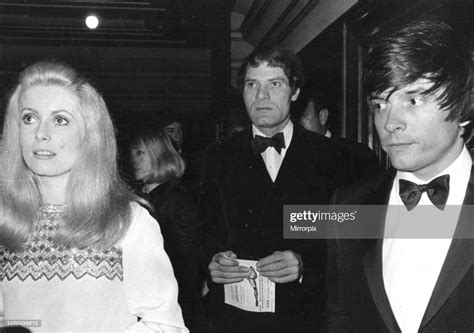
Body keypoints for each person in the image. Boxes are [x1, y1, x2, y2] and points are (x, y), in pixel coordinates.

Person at [0, 61, 188, 332]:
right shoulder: (6, 218)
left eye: (60, 120)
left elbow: (166, 326)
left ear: (89, 134)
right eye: (29, 118)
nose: (41, 134)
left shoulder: (127, 220)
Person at [325, 19, 473, 332]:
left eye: (413, 99)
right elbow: (339, 317)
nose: (389, 122)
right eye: (380, 104)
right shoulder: (347, 206)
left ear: (463, 108)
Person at [197, 46, 351, 332]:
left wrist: (304, 263)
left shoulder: (332, 156)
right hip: (233, 319)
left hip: (305, 318)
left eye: (274, 84)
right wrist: (213, 260)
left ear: (294, 92)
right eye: (251, 84)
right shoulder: (217, 155)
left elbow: (350, 233)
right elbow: (205, 230)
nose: (261, 96)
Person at [129, 128, 201, 332]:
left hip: (168, 307)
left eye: (140, 153)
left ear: (159, 154)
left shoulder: (178, 199)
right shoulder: (135, 197)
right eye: (132, 153)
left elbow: (186, 264)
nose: (133, 159)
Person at [296, 87, 379, 182]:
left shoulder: (358, 156)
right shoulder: (294, 157)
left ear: (322, 117)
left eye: (302, 117)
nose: (296, 125)